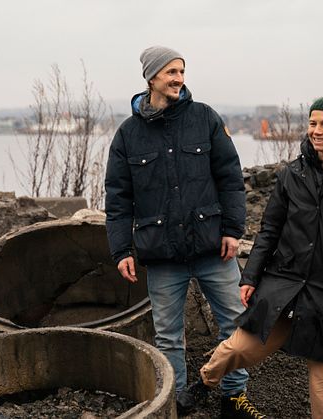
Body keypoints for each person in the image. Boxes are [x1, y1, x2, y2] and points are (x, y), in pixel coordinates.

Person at [190, 93, 323, 418]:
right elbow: (270, 229)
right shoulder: (292, 174)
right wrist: (252, 276)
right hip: (283, 284)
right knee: (241, 347)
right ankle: (205, 381)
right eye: (313, 122)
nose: (316, 130)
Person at [105, 46, 261, 417]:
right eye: (171, 72)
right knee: (168, 337)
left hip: (213, 248)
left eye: (181, 71)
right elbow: (117, 199)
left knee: (236, 326)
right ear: (152, 78)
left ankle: (233, 399)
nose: (179, 78)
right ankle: (175, 405)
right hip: (162, 255)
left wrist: (232, 229)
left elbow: (230, 179)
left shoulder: (204, 118)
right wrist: (121, 250)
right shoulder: (128, 135)